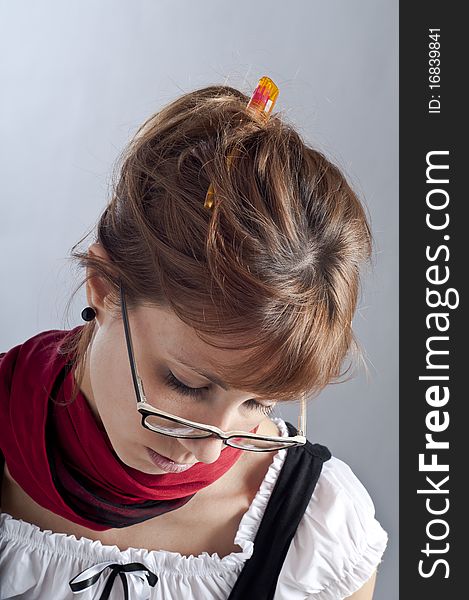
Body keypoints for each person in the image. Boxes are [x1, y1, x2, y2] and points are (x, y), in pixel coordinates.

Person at [0, 77, 388, 599]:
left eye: (256, 402)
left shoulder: (316, 532)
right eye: (185, 384)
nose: (207, 452)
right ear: (105, 287)